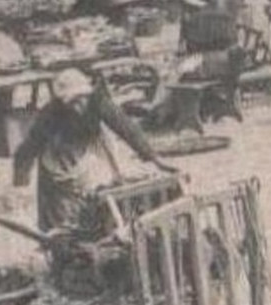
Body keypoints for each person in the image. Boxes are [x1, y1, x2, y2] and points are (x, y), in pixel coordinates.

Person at [12, 68, 175, 233]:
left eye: (81, 100)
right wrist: (21, 176)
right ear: (62, 103)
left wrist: (155, 158)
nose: (78, 107)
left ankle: (107, 225)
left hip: (91, 143)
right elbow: (30, 145)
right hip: (60, 150)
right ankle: (63, 234)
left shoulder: (98, 100)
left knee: (104, 187)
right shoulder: (50, 114)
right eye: (72, 103)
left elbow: (125, 127)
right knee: (61, 203)